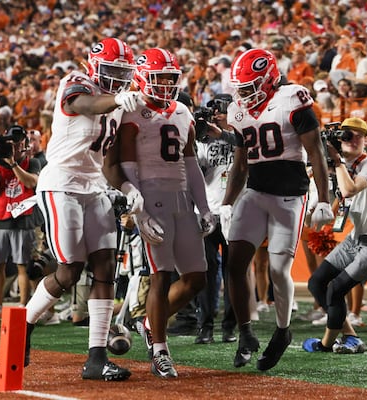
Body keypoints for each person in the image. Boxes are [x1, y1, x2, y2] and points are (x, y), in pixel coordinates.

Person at [24, 38, 143, 381]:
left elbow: (110, 160)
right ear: (95, 66)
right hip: (62, 184)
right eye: (113, 70)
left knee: (106, 267)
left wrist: (127, 187)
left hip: (95, 187)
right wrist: (117, 98)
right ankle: (25, 326)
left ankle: (96, 357)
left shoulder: (120, 103)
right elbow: (86, 104)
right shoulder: (76, 83)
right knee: (70, 270)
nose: (119, 79)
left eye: (124, 73)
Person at [221, 48, 333, 371]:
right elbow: (240, 165)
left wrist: (323, 198)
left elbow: (316, 152)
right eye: (240, 88)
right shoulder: (238, 111)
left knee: (278, 270)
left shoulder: (293, 97)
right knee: (234, 261)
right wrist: (227, 202)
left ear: (269, 78)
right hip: (256, 192)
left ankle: (283, 331)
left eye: (250, 86)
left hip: (289, 196)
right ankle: (245, 333)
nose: (244, 94)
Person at [117, 47, 214, 378]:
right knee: (160, 274)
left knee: (197, 278)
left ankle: (148, 321)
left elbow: (191, 163)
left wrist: (204, 207)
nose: (165, 85)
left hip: (182, 197)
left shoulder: (183, 111)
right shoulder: (132, 110)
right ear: (143, 77)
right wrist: (138, 206)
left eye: (171, 79)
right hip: (152, 198)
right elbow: (127, 163)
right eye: (159, 78)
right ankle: (160, 349)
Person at [303, 117, 367, 353]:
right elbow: (333, 194)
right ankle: (351, 336)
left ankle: (325, 344)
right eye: (347, 134)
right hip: (358, 236)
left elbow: (349, 189)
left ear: (366, 140)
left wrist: (335, 160)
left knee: (336, 289)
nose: (352, 139)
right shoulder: (336, 163)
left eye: (358, 135)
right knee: (317, 283)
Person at [0, 125, 39, 320]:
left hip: (22, 219)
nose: (15, 148)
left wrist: (13, 165)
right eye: (12, 145)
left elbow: (32, 183)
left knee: (23, 265)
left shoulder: (33, 162)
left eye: (19, 144)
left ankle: (24, 306)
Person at [194, 93, 237, 344]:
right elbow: (197, 171)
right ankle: (205, 326)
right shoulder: (203, 139)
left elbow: (246, 145)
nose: (216, 115)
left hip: (236, 211)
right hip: (208, 211)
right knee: (207, 272)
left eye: (220, 110)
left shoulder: (242, 133)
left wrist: (220, 133)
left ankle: (230, 327)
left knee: (235, 273)